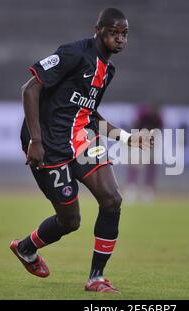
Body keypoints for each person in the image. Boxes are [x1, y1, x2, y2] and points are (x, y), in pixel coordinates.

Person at [10, 8, 153, 293]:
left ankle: (96, 278)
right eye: (114, 32)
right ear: (97, 30)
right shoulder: (73, 54)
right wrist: (35, 141)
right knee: (70, 221)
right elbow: (30, 89)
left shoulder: (107, 70)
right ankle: (26, 248)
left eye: (124, 34)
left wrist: (125, 137)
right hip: (48, 144)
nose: (120, 39)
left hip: (80, 140)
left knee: (112, 200)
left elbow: (88, 113)